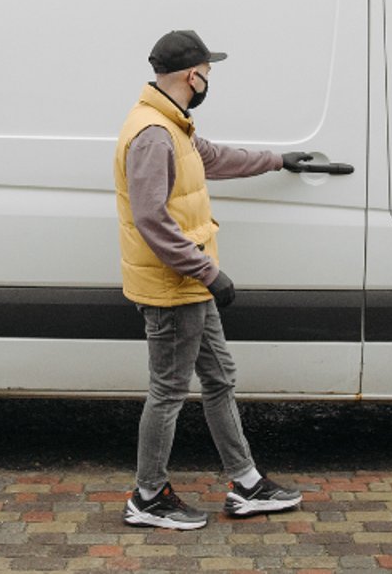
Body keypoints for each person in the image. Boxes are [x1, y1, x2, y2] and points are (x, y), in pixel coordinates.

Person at [114, 29, 313, 530]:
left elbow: (214, 158)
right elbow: (151, 219)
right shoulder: (152, 133)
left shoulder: (172, 124)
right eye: (208, 71)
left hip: (188, 284)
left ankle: (246, 483)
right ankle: (148, 496)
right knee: (168, 391)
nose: (209, 80)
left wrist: (277, 160)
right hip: (174, 287)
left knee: (220, 378)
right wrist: (210, 272)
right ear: (192, 74)